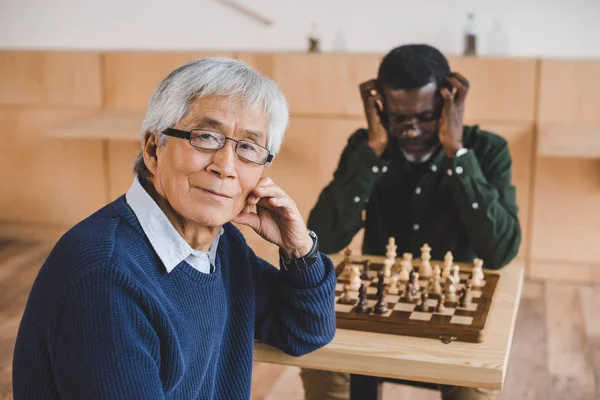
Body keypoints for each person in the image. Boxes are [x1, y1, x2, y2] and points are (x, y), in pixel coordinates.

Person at [12, 58, 337, 399]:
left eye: (247, 148)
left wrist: (299, 250)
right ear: (154, 149)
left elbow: (306, 331)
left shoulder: (221, 247)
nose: (226, 167)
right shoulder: (106, 276)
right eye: (207, 137)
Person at [302, 44, 521, 400]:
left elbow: (500, 252)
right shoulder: (366, 146)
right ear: (380, 108)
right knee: (318, 358)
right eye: (398, 117)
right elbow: (324, 238)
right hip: (374, 304)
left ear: (449, 104)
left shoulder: (487, 150)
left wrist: (458, 154)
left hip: (454, 308)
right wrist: (373, 148)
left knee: (477, 380)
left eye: (425, 116)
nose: (412, 130)